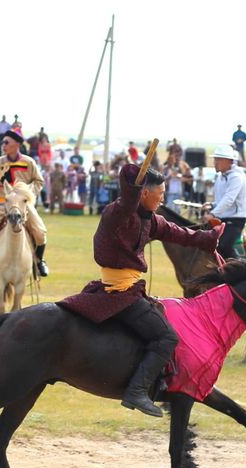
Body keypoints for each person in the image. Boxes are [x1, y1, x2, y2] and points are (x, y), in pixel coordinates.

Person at [59, 163, 222, 417]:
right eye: (160, 194)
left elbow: (180, 234)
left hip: (130, 289)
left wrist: (209, 238)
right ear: (143, 193)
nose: (163, 199)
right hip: (118, 293)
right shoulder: (118, 212)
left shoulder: (151, 220)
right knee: (167, 337)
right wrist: (131, 187)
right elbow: (126, 201)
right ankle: (137, 390)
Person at [0, 130, 49, 276]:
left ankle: (39, 261)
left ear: (16, 144)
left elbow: (39, 181)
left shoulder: (29, 162)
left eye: (6, 142)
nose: (3, 145)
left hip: (24, 206)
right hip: (2, 204)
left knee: (40, 231)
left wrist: (29, 193)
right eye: (2, 142)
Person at [204, 145, 246, 259]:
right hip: (222, 219)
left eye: (218, 159)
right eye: (215, 159)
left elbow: (229, 200)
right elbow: (221, 200)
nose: (215, 162)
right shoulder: (220, 177)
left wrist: (213, 214)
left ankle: (241, 269)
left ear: (229, 161)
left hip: (235, 220)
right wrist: (212, 205)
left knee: (223, 246)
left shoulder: (236, 177)